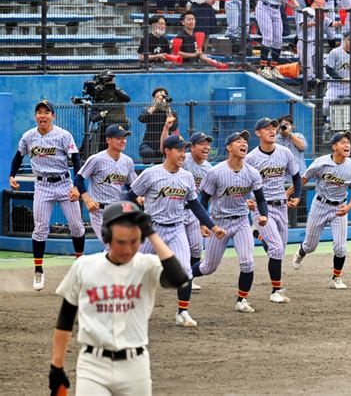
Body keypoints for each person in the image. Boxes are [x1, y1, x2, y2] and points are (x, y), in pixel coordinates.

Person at [48, 201, 189, 395]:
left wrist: (152, 234)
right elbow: (66, 317)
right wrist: (56, 366)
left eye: (135, 241)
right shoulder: (84, 266)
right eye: (121, 242)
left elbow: (179, 279)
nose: (128, 249)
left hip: (135, 366)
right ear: (106, 237)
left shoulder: (148, 265)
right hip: (92, 366)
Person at [125, 134, 225, 327]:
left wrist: (212, 226)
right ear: (167, 151)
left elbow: (195, 205)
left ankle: (182, 312)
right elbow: (130, 196)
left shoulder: (186, 176)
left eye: (184, 150)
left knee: (186, 271)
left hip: (177, 229)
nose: (183, 154)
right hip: (152, 229)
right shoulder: (151, 174)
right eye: (179, 150)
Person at [9, 100, 85, 291]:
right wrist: (11, 175)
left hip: (65, 183)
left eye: (46, 112)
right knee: (41, 228)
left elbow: (76, 160)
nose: (43, 116)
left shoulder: (63, 135)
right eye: (39, 112)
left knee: (76, 226)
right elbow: (18, 156)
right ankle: (38, 271)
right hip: (42, 185)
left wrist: (77, 186)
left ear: (53, 116)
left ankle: (81, 267)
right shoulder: (28, 136)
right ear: (35, 116)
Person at [192, 130, 269, 313]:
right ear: (228, 147)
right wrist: (205, 224)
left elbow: (260, 198)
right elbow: (203, 200)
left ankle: (241, 300)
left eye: (245, 141)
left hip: (242, 221)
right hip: (219, 223)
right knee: (208, 267)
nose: (244, 144)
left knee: (248, 263)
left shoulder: (252, 173)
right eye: (238, 141)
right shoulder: (215, 172)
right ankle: (184, 276)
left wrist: (263, 214)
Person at [290, 131, 351, 289]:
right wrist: (289, 194)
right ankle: (301, 252)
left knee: (341, 247)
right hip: (320, 205)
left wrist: (348, 207)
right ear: (334, 146)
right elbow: (303, 179)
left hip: (339, 207)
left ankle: (336, 278)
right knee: (310, 246)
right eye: (343, 142)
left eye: (348, 142)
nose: (347, 144)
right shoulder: (321, 162)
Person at [246, 118, 302, 302]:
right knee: (276, 248)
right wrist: (247, 200)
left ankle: (260, 235)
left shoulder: (285, 152)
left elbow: (296, 177)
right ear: (258, 133)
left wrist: (297, 195)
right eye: (267, 128)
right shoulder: (251, 158)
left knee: (279, 250)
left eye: (274, 128)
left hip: (281, 206)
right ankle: (275, 291)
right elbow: (242, 183)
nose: (272, 131)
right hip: (262, 208)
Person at [74, 124, 137, 244]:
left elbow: (131, 186)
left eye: (125, 138)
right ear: (108, 140)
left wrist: (138, 198)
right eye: (119, 138)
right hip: (99, 211)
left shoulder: (128, 161)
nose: (123, 141)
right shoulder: (97, 159)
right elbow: (78, 179)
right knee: (112, 244)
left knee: (121, 245)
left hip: (119, 210)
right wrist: (88, 201)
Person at [183, 132, 214, 292]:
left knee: (196, 247)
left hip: (193, 210)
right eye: (202, 143)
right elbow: (164, 149)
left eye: (207, 143)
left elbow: (207, 196)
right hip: (174, 209)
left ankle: (189, 278)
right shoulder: (183, 160)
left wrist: (205, 221)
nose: (206, 147)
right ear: (192, 147)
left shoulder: (208, 169)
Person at [255, 0, 300, 78]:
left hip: (277, 9)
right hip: (264, 7)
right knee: (268, 38)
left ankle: (273, 68)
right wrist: (292, 2)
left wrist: (293, 1)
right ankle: (263, 68)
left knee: (278, 41)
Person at [87, 70, 131, 153]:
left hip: (119, 123)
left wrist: (114, 90)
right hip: (105, 125)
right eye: (107, 80)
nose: (110, 81)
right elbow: (93, 117)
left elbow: (127, 99)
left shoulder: (118, 91)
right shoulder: (98, 94)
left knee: (117, 148)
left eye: (111, 79)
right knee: (103, 149)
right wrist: (102, 113)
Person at [276, 115, 308, 222]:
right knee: (283, 208)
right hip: (283, 180)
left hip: (298, 179)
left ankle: (301, 229)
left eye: (287, 125)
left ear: (292, 126)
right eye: (282, 125)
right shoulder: (275, 138)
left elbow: (302, 146)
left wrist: (289, 134)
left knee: (300, 208)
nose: (284, 127)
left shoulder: (298, 136)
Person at [138, 87, 177, 163]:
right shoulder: (149, 110)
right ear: (153, 99)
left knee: (162, 157)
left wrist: (167, 109)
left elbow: (174, 127)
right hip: (148, 144)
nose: (160, 99)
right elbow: (141, 119)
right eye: (157, 97)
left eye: (163, 97)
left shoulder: (171, 112)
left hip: (163, 145)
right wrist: (155, 106)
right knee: (147, 153)